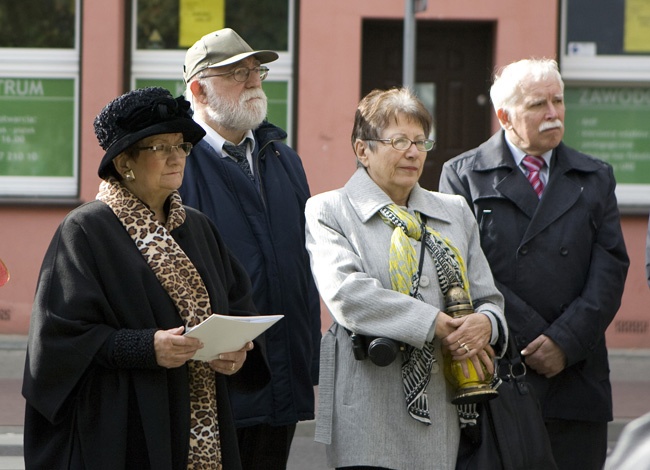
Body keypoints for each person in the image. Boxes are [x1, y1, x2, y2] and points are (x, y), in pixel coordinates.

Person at [22, 87, 270, 470]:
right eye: (159, 147)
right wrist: (144, 347)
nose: (177, 157)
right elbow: (56, 341)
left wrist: (237, 354)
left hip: (203, 425)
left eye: (182, 146)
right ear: (124, 163)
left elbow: (238, 306)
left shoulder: (198, 227)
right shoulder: (86, 230)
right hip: (123, 425)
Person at [439, 58, 630, 470]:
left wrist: (565, 340)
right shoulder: (463, 176)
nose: (553, 114)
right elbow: (459, 270)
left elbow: (610, 268)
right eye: (538, 105)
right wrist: (527, 340)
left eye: (558, 101)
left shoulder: (595, 177)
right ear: (504, 116)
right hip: (502, 370)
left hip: (576, 372)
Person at [304, 87, 507, 469]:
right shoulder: (330, 209)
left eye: (420, 141)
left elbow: (489, 299)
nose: (413, 153)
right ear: (362, 150)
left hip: (444, 408)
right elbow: (348, 295)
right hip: (368, 409)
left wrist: (485, 324)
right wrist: (437, 324)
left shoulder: (454, 210)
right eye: (399, 141)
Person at [180, 28, 321, 468]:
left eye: (256, 70)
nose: (254, 80)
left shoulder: (283, 157)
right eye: (237, 73)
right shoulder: (176, 162)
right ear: (199, 89)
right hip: (215, 375)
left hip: (282, 369)